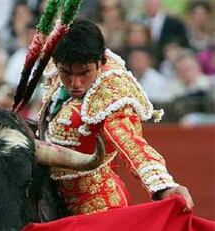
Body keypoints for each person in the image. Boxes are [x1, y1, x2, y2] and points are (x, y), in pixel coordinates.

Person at [37, 19, 193, 215]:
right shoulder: (64, 59)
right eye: (66, 72)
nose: (75, 83)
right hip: (50, 195)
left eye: (84, 72)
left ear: (100, 62)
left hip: (96, 205)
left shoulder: (112, 92)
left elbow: (131, 144)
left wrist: (163, 186)